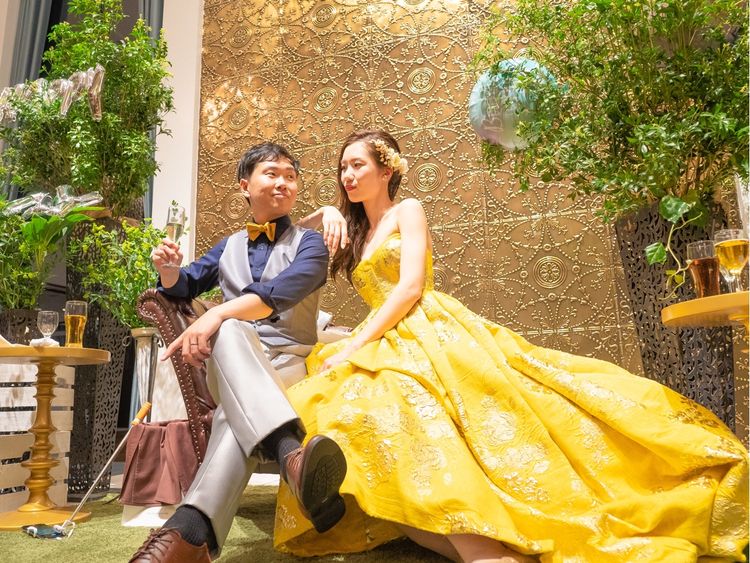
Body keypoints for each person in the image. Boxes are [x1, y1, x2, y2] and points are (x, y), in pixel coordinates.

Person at [272, 130, 749, 563]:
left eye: (357, 164)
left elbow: (410, 287)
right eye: (342, 167)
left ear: (387, 169)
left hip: (426, 326)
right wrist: (327, 211)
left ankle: (488, 543)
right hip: (384, 335)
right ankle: (484, 549)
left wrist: (356, 345)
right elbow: (289, 230)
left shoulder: (406, 210)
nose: (348, 175)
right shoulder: (353, 229)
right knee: (342, 409)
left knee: (461, 411)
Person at [130, 143, 348, 563]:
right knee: (231, 330)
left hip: (288, 364)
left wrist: (215, 315)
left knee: (232, 410)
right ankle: (289, 452)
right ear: (245, 186)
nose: (283, 182)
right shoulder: (227, 246)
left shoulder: (312, 244)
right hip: (227, 366)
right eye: (272, 173)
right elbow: (185, 285)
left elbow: (280, 292)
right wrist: (168, 270)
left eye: (290, 176)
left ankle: (189, 535)